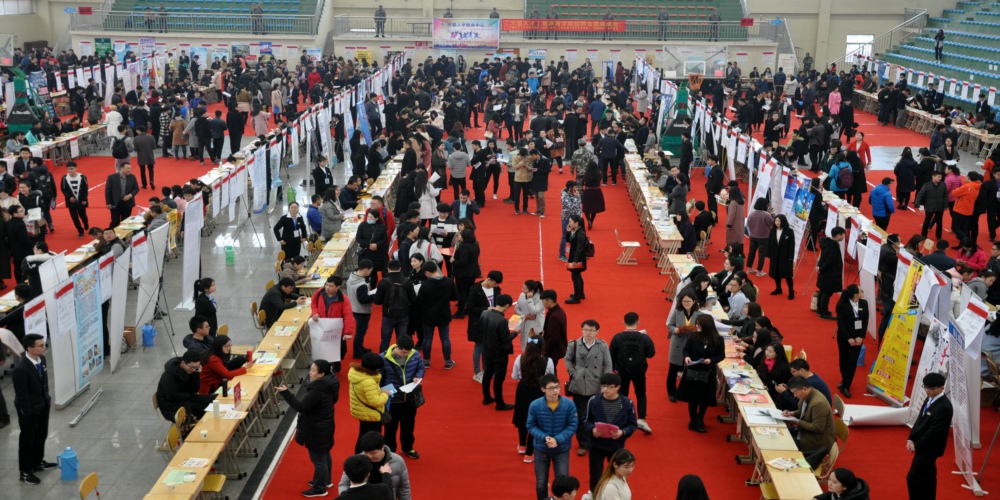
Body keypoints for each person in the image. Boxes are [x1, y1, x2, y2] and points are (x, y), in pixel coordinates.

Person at [275, 359, 339, 496]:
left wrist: (286, 393)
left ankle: (319, 488)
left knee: (319, 460)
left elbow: (301, 407)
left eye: (313, 370)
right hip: (325, 424)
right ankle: (326, 480)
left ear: (321, 374)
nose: (309, 372)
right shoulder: (330, 384)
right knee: (325, 454)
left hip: (316, 428)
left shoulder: (317, 391)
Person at [581, 373, 638, 495]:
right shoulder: (593, 401)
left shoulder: (627, 403)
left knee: (618, 474)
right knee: (595, 475)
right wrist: (592, 429)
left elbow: (633, 424)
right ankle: (595, 495)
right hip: (597, 445)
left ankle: (617, 494)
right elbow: (585, 420)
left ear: (617, 387)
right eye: (603, 386)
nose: (605, 389)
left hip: (616, 446)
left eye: (609, 387)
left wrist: (622, 432)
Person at [12, 334, 56, 485]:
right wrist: (27, 412)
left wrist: (46, 398)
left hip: (43, 404)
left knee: (41, 435)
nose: (44, 347)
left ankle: (37, 461)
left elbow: (43, 382)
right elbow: (21, 394)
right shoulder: (21, 369)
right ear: (30, 348)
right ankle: (25, 471)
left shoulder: (41, 359)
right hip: (30, 410)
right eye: (41, 345)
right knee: (27, 441)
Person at [565, 319, 613, 456]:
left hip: (596, 385)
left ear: (597, 332)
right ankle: (583, 444)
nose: (588, 333)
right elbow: (567, 359)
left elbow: (608, 364)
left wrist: (606, 383)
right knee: (581, 416)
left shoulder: (602, 345)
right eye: (585, 330)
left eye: (591, 330)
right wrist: (573, 373)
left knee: (596, 415)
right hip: (579, 385)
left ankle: (596, 440)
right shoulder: (574, 344)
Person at [527, 373, 578, 500]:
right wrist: (545, 438)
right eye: (551, 388)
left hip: (561, 449)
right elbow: (531, 425)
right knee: (541, 483)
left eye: (557, 387)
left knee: (563, 484)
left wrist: (557, 439)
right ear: (543, 389)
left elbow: (572, 425)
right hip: (541, 448)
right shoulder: (535, 405)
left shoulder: (569, 404)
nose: (555, 391)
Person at [906, 372, 953, 500]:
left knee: (914, 478)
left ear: (941, 388)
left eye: (931, 388)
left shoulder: (944, 407)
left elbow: (934, 432)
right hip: (922, 445)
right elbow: (919, 420)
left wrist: (917, 445)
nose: (927, 391)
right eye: (925, 387)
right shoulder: (930, 398)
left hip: (929, 449)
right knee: (927, 477)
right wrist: (911, 438)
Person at [677, 315, 725, 433]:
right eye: (697, 323)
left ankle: (700, 418)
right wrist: (686, 357)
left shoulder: (718, 339)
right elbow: (686, 350)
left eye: (699, 324)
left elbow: (721, 355)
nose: (697, 326)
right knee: (692, 398)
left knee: (705, 398)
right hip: (693, 370)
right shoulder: (693, 336)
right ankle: (693, 420)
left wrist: (711, 360)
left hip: (708, 371)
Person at [608, 312, 655, 434]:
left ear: (624, 322)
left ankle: (622, 419)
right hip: (639, 371)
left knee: (622, 394)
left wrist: (614, 369)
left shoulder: (617, 337)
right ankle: (641, 419)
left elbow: (610, 355)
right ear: (638, 322)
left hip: (621, 370)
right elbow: (651, 353)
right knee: (641, 394)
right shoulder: (644, 337)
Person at [380, 335, 424, 458]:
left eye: (407, 352)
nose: (405, 354)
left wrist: (418, 376)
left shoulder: (415, 354)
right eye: (403, 352)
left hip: (409, 398)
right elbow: (379, 378)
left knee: (409, 425)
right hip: (392, 400)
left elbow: (420, 368)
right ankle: (390, 452)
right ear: (396, 347)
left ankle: (407, 447)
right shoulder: (383, 358)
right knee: (390, 428)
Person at [512, 334, 555, 462]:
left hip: (523, 389)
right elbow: (551, 378)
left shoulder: (519, 358)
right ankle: (529, 453)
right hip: (539, 392)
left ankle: (522, 445)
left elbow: (515, 376)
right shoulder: (548, 361)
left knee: (522, 415)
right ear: (542, 347)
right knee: (536, 419)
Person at [782, 376, 836, 469]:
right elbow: (803, 411)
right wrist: (791, 413)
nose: (795, 396)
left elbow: (817, 428)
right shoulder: (807, 394)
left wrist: (796, 421)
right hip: (806, 432)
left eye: (795, 392)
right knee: (784, 434)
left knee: (785, 443)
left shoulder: (818, 403)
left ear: (804, 389)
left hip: (817, 440)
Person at [339, 432, 412, 499]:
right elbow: (344, 484)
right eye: (365, 452)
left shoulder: (398, 461)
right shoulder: (356, 461)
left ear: (383, 447)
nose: (369, 456)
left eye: (373, 453)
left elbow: (404, 488)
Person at [155, 350, 217, 423]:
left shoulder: (192, 370)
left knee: (213, 399)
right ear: (183, 363)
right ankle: (201, 425)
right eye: (192, 367)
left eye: (196, 367)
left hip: (185, 397)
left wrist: (196, 373)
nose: (193, 370)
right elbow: (172, 396)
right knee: (204, 408)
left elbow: (195, 389)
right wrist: (190, 395)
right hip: (171, 405)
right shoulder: (169, 375)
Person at [349, 352, 393, 454]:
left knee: (363, 436)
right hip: (371, 415)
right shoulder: (368, 382)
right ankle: (365, 458)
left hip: (362, 411)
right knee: (371, 441)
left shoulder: (356, 373)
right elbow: (376, 402)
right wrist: (385, 394)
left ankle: (359, 456)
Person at [416, 261, 458, 369]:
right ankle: (448, 361)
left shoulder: (425, 284)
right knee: (445, 338)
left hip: (428, 315)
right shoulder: (449, 282)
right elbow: (455, 297)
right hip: (444, 314)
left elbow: (420, 301)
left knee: (427, 339)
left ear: (427, 272)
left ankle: (426, 361)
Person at [480, 293, 518, 409]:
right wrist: (516, 332)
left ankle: (486, 397)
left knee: (487, 374)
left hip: (487, 349)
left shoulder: (485, 313)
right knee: (499, 378)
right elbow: (505, 339)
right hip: (499, 353)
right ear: (507, 305)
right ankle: (500, 404)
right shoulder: (502, 321)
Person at [311, 275, 358, 368]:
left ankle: (336, 362)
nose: (327, 288)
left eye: (331, 286)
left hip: (337, 329)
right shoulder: (320, 292)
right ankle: (327, 366)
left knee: (341, 351)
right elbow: (313, 302)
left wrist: (348, 332)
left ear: (338, 287)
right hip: (322, 326)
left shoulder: (343, 299)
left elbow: (348, 316)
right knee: (323, 348)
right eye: (327, 285)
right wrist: (315, 312)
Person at [466, 270, 504, 380]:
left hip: (492, 322)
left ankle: (487, 369)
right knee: (479, 347)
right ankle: (477, 372)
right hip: (479, 323)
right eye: (495, 283)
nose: (496, 286)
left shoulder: (496, 289)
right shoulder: (475, 290)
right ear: (488, 279)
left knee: (489, 347)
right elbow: (469, 309)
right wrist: (486, 309)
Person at [374, 260, 417, 352]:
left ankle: (383, 358)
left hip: (388, 315)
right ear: (400, 268)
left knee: (385, 340)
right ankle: (401, 358)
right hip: (403, 314)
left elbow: (377, 301)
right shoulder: (407, 282)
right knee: (401, 341)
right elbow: (413, 300)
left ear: (388, 269)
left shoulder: (383, 283)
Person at [835, 285, 869, 398]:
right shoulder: (842, 305)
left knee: (852, 362)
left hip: (858, 338)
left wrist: (861, 337)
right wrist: (848, 338)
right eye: (861, 290)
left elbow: (865, 321)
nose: (862, 292)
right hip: (844, 337)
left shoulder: (864, 303)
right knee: (843, 359)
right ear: (855, 294)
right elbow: (841, 324)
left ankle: (846, 386)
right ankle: (844, 379)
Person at [816, 227, 845, 319]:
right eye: (843, 235)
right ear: (838, 235)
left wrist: (820, 268)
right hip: (830, 274)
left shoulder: (826, 244)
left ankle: (819, 309)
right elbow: (830, 261)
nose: (844, 237)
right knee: (827, 293)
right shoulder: (833, 247)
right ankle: (824, 312)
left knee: (823, 291)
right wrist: (822, 269)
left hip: (824, 273)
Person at [541, 290, 569, 374]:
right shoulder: (558, 311)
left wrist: (544, 349)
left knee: (550, 370)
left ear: (549, 301)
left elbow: (554, 337)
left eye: (543, 301)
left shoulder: (554, 316)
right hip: (556, 348)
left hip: (553, 351)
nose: (542, 303)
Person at [104, 164, 140, 228]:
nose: (129, 170)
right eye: (127, 168)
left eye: (130, 168)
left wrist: (130, 195)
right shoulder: (112, 177)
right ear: (121, 168)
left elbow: (136, 189)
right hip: (115, 203)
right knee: (115, 221)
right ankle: (112, 233)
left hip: (128, 202)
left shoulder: (132, 177)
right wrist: (108, 202)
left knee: (126, 221)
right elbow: (108, 190)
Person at [60, 162, 89, 238]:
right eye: (68, 169)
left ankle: (85, 223)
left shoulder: (82, 177)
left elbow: (85, 189)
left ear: (76, 168)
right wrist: (69, 197)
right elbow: (63, 189)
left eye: (72, 169)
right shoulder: (64, 178)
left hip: (81, 200)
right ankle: (80, 230)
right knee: (74, 217)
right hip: (71, 201)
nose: (70, 170)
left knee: (83, 215)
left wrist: (84, 199)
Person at [916, 170, 948, 239]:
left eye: (941, 177)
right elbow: (920, 195)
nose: (940, 178)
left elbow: (945, 195)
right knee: (927, 221)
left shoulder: (943, 185)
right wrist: (918, 205)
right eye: (938, 177)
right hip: (930, 206)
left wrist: (946, 205)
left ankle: (939, 236)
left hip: (940, 207)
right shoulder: (926, 185)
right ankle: (924, 235)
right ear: (933, 176)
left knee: (939, 222)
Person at [565, 215, 588, 303]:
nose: (569, 223)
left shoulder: (580, 233)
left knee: (575, 276)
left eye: (571, 221)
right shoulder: (575, 230)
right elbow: (568, 240)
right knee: (578, 275)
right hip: (574, 256)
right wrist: (568, 232)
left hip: (578, 257)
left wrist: (575, 261)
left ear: (576, 223)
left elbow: (579, 248)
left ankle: (577, 297)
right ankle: (580, 293)